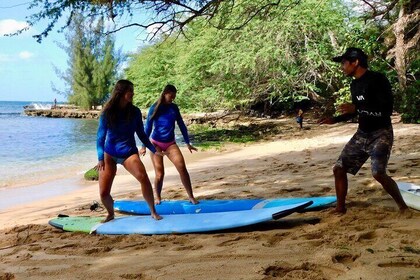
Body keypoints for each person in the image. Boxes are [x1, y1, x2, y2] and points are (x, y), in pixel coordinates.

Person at [320, 47, 408, 214]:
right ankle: (340, 209)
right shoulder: (354, 84)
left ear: (356, 62)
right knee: (338, 168)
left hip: (381, 133)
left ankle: (403, 207)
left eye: (344, 63)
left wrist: (357, 108)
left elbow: (386, 110)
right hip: (362, 133)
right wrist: (335, 119)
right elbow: (357, 111)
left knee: (378, 173)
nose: (342, 67)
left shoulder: (377, 79)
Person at [96, 79, 163, 222]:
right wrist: (100, 157)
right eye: (130, 91)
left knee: (143, 177)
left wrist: (152, 149)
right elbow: (100, 137)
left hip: (128, 153)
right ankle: (110, 213)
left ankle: (152, 211)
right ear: (121, 92)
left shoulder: (134, 112)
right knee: (103, 192)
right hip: (109, 155)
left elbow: (141, 134)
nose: (133, 93)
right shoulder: (107, 113)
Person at [140, 84, 199, 205]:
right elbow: (148, 128)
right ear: (165, 93)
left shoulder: (174, 108)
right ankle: (158, 197)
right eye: (171, 96)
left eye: (174, 97)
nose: (172, 98)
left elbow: (181, 125)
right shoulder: (154, 107)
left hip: (170, 144)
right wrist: (143, 146)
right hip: (155, 143)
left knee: (182, 168)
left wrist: (188, 142)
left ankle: (191, 196)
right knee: (160, 173)